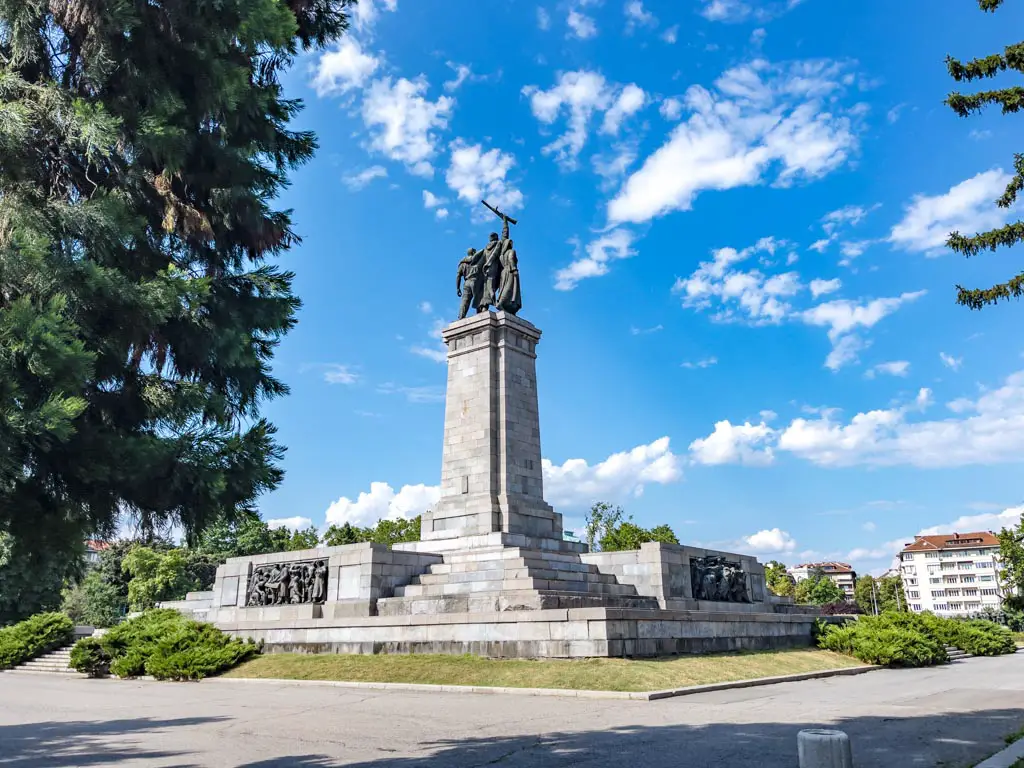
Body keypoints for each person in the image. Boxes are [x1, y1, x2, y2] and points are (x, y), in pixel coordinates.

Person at [456, 247, 485, 320]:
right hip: (475, 281)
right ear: (473, 253)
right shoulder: (477, 260)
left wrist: (458, 288)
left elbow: (458, 276)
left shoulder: (462, 263)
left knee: (465, 300)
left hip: (466, 283)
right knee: (478, 298)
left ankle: (461, 316)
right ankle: (480, 316)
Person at [495, 238, 521, 315]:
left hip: (503, 272)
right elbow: (511, 259)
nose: (512, 244)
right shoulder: (511, 251)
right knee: (509, 288)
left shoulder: (501, 255)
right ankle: (500, 303)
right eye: (511, 243)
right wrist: (514, 269)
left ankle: (508, 307)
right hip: (510, 271)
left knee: (504, 288)